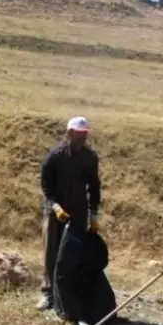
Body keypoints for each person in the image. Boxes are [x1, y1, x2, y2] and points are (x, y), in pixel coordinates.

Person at [37, 116, 102, 311]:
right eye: (78, 134)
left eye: (84, 134)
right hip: (55, 211)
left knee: (73, 252)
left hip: (79, 211)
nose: (82, 138)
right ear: (69, 133)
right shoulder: (55, 156)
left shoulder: (90, 158)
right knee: (52, 251)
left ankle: (68, 294)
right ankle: (48, 294)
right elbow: (46, 185)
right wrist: (55, 206)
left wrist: (93, 214)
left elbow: (94, 186)